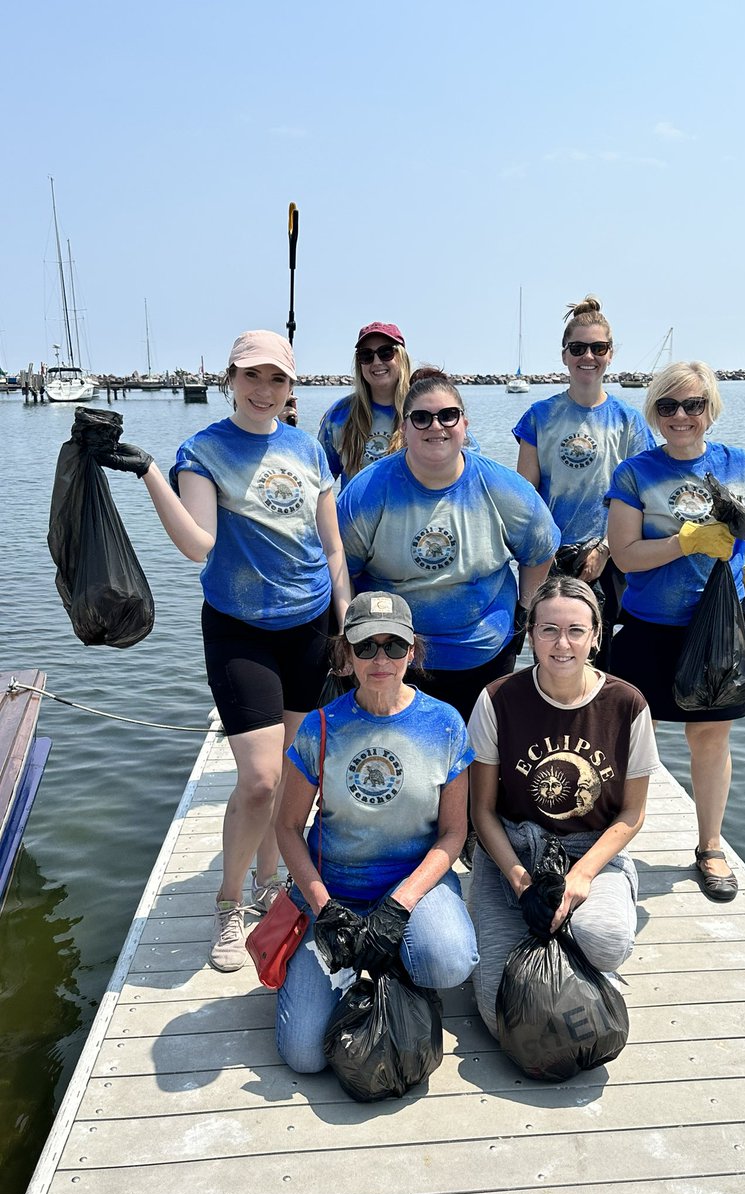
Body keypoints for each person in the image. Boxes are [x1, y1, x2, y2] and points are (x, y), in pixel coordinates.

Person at [97, 330, 351, 968]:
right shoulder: (203, 450)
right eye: (252, 376)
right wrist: (152, 471)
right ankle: (229, 903)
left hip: (311, 625)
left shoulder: (308, 449)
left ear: (292, 387)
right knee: (259, 780)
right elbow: (198, 545)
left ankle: (271, 881)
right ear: (230, 380)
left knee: (292, 773)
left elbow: (333, 546)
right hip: (240, 627)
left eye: (277, 379)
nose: (264, 390)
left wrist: (346, 624)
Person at [606, 360, 745, 901]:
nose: (682, 416)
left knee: (710, 738)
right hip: (648, 625)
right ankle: (609, 842)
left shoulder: (742, 467)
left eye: (694, 405)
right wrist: (686, 542)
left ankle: (709, 846)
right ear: (654, 411)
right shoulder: (634, 474)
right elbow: (626, 558)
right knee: (629, 735)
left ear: (710, 410)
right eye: (670, 406)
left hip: (719, 628)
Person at [273, 591, 479, 1073]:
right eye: (365, 647)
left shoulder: (446, 724)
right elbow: (286, 828)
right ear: (346, 655)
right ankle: (335, 963)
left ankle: (394, 965)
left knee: (448, 961)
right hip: (334, 892)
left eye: (393, 646)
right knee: (304, 1056)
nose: (380, 659)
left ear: (413, 652)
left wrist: (399, 905)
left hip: (412, 888)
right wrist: (324, 908)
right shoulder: (320, 726)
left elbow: (453, 834)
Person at [466, 576, 659, 1038]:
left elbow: (631, 814)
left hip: (592, 849)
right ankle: (544, 932)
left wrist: (582, 876)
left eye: (576, 630)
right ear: (531, 634)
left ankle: (580, 951)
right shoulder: (496, 700)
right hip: (512, 851)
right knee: (500, 1012)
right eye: (548, 629)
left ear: (596, 637)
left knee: (608, 943)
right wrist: (520, 883)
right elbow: (482, 812)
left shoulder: (627, 704)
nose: (562, 643)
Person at [337, 367, 560, 723]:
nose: (436, 426)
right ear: (404, 429)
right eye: (421, 418)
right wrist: (350, 639)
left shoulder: (502, 486)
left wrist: (525, 613)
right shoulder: (368, 491)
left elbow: (540, 549)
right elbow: (341, 568)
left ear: (464, 424)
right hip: (393, 658)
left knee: (481, 765)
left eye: (448, 415)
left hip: (485, 652)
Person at [514, 295, 656, 667]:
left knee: (601, 663)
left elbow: (642, 499)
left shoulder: (628, 421)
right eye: (578, 348)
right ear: (564, 355)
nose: (587, 356)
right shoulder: (539, 417)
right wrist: (540, 555)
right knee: (552, 660)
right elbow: (523, 498)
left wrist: (607, 549)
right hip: (551, 560)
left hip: (610, 560)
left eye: (598, 348)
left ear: (611, 354)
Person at [317, 322, 412, 489]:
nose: (376, 362)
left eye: (386, 352)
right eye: (366, 355)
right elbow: (319, 482)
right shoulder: (339, 415)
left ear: (401, 357)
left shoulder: (426, 410)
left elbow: (465, 463)